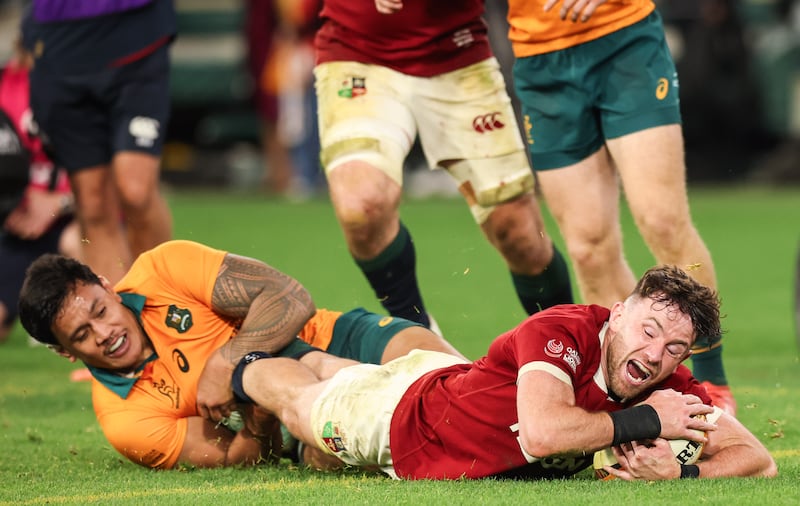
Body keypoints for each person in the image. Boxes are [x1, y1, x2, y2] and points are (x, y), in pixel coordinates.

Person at [225, 265, 777, 480]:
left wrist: (683, 476)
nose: (657, 354)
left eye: (675, 348)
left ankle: (300, 350)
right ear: (618, 313)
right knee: (302, 406)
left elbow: (758, 459)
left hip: (452, 379)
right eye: (650, 330)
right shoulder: (563, 332)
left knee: (331, 369)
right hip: (401, 421)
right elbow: (542, 434)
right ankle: (240, 360)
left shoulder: (662, 379)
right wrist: (645, 422)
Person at [17, 239, 464, 469]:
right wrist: (260, 417)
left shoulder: (163, 266)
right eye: (82, 334)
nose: (106, 332)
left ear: (106, 284)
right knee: (403, 435)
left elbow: (289, 295)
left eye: (99, 309)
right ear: (64, 352)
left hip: (337, 335)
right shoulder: (125, 420)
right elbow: (237, 459)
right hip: (301, 424)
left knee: (455, 372)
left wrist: (225, 361)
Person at [502, 0, 736, 413]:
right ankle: (628, 395)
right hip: (541, 58)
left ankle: (711, 382)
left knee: (663, 220)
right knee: (589, 248)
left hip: (623, 39)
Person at [310, 0, 574, 332]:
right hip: (355, 54)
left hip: (458, 58)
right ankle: (418, 332)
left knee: (519, 233)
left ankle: (570, 346)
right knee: (361, 205)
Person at [20, 0, 175, 284]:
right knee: (93, 203)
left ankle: (163, 305)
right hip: (57, 38)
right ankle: (123, 319)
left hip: (135, 30)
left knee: (135, 192)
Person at [0, 39, 82, 344]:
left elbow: (113, 179)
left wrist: (59, 202)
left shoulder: (85, 85)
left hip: (76, 219)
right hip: (17, 226)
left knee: (79, 241)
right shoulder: (5, 84)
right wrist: (5, 208)